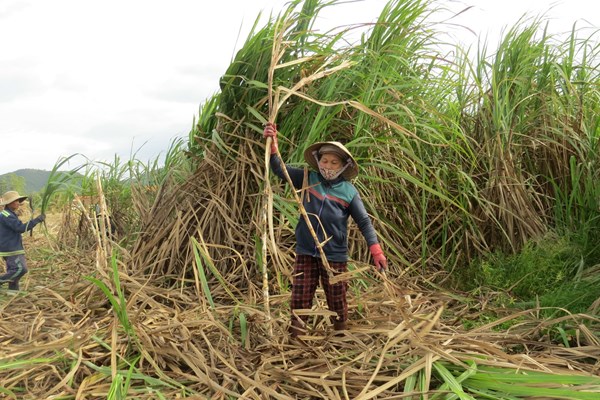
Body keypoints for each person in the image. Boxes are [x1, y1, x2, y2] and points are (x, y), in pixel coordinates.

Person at [263, 122, 387, 337]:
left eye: (334, 162)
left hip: (334, 254)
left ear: (343, 166)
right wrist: (272, 143)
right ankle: (297, 339)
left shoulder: (349, 192)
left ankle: (340, 335)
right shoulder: (306, 178)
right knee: (300, 296)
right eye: (324, 160)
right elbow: (277, 168)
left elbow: (364, 222)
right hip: (306, 251)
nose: (327, 165)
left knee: (336, 297)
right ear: (318, 162)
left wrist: (376, 251)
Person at [0, 191, 45, 291]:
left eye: (18, 200)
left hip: (12, 246)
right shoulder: (6, 215)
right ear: (9, 203)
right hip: (10, 248)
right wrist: (36, 220)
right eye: (16, 200)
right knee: (20, 269)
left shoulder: (10, 214)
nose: (18, 203)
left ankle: (12, 293)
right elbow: (20, 228)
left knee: (13, 270)